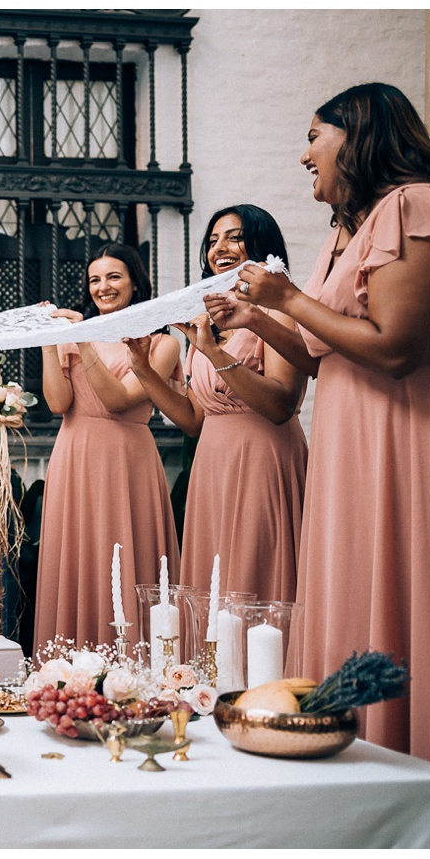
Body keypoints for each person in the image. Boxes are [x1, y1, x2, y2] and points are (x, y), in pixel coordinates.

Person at [218, 83, 430, 760]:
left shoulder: (414, 204)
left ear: (358, 134)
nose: (304, 153)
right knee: (345, 581)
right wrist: (257, 318)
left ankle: (410, 745)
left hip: (392, 432)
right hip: (343, 430)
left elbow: (395, 347)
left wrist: (286, 298)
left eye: (315, 136)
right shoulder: (347, 230)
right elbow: (315, 351)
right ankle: (351, 740)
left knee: (392, 578)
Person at [125, 205, 307, 602]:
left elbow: (281, 405)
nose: (219, 247)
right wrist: (143, 369)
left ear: (262, 244)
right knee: (214, 585)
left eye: (234, 237)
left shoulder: (278, 311)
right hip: (211, 466)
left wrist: (213, 351)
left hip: (261, 460)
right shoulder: (207, 320)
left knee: (254, 583)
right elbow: (193, 419)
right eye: (212, 240)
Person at [33, 244, 182, 650]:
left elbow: (118, 400)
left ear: (136, 281)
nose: (103, 287)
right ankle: (73, 665)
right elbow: (58, 403)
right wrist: (50, 343)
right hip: (75, 455)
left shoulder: (160, 344)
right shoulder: (70, 337)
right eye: (95, 279)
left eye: (114, 277)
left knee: (127, 554)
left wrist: (83, 340)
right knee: (80, 560)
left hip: (127, 460)